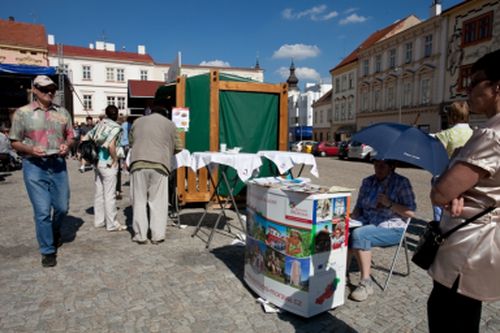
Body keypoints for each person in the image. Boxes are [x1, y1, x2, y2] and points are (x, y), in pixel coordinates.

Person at [428, 49, 500, 333]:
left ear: (497, 86)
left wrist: (450, 188)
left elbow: (439, 193)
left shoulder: (492, 136)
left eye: (474, 81)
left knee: (450, 319)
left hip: (467, 246)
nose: (466, 89)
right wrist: (462, 188)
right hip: (481, 245)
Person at [9, 75, 74, 267]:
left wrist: (67, 145)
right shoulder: (23, 113)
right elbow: (14, 141)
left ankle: (54, 231)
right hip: (34, 166)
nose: (50, 92)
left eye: (52, 89)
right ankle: (47, 250)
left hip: (58, 164)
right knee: (42, 210)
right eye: (45, 89)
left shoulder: (63, 113)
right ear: (35, 89)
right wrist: (30, 149)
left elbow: (70, 136)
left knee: (62, 207)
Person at [348, 159, 416, 301]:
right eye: (376, 164)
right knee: (345, 231)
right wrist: (349, 219)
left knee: (360, 234)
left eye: (382, 165)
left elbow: (410, 213)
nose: (378, 168)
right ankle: (342, 273)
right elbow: (359, 207)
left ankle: (366, 283)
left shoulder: (401, 183)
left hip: (393, 227)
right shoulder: (368, 181)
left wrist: (389, 203)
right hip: (368, 222)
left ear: (392, 166)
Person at [129, 105, 182, 244]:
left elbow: (131, 142)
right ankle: (157, 236)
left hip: (138, 162)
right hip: (160, 164)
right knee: (158, 201)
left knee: (139, 200)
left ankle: (140, 235)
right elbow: (179, 147)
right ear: (165, 114)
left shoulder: (137, 121)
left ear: (150, 112)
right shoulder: (170, 124)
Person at [83, 105, 126, 232]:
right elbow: (111, 145)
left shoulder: (99, 124)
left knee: (99, 193)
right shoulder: (116, 127)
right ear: (117, 114)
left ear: (106, 114)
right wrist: (115, 159)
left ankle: (99, 221)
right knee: (109, 195)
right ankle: (111, 224)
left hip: (97, 162)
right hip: (108, 162)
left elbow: (86, 137)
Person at [431, 101, 473, 220]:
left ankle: (439, 227)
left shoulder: (446, 135)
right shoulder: (474, 134)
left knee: (439, 205)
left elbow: (438, 157)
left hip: (446, 175)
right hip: (468, 177)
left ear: (451, 116)